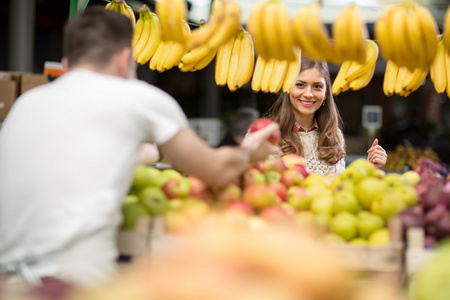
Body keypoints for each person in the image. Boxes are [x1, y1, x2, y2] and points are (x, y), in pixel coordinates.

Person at [0, 6, 280, 295]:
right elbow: (217, 171)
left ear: (67, 62)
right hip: (70, 285)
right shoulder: (137, 97)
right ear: (124, 58)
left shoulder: (27, 103)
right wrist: (248, 150)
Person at [262, 55, 387, 175]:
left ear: (326, 93)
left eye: (317, 86)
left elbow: (340, 188)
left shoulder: (334, 136)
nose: (309, 94)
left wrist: (370, 168)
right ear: (287, 88)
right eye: (300, 85)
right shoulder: (265, 136)